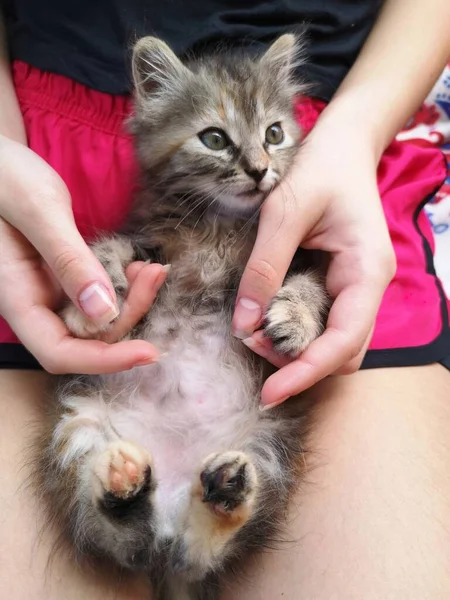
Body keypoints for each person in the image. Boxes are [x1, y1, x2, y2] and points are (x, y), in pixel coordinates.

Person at [0, 0, 449, 598]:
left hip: (343, 158)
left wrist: (307, 293)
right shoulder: (153, 223)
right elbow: (126, 262)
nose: (259, 166)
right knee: (81, 434)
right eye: (217, 140)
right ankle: (126, 508)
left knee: (274, 448)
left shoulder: (292, 173)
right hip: (33, 161)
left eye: (268, 138)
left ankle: (204, 526)